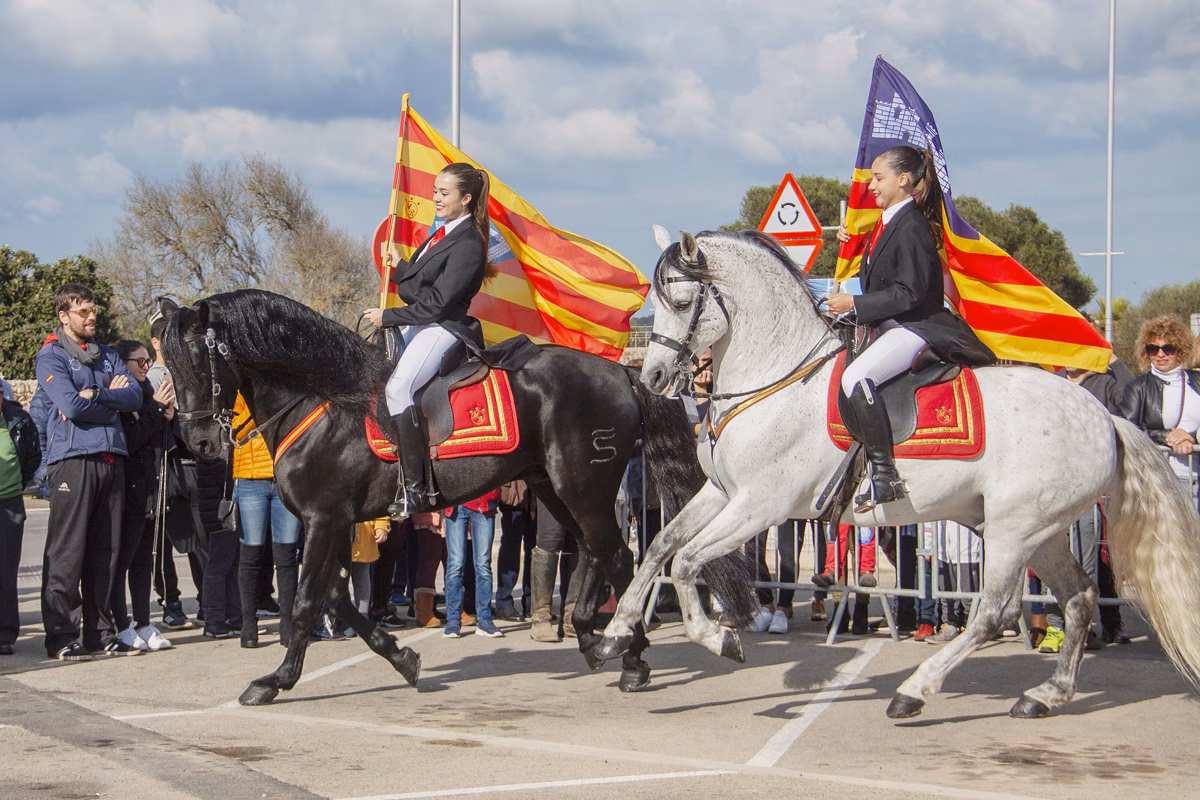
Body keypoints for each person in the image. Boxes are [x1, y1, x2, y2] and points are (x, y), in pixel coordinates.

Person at [830, 146, 995, 511]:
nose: (870, 186)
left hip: (918, 325)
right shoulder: (886, 223)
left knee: (856, 377)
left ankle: (884, 476)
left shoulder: (912, 225)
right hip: (892, 324)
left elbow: (909, 292)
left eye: (878, 178)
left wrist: (855, 305)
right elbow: (880, 278)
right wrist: (852, 243)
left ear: (902, 180)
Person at [363, 163, 497, 517]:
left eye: (444, 192)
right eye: (435, 190)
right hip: (424, 322)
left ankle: (415, 489)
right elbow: (423, 287)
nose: (435, 197)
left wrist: (387, 317)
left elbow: (437, 303)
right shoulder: (442, 234)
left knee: (398, 389)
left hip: (443, 327)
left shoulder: (469, 243)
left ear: (466, 199)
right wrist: (402, 265)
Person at [37, 283, 145, 660]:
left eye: (93, 309)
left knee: (106, 552)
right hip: (72, 460)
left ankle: (99, 633)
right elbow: (69, 404)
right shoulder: (50, 356)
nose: (92, 316)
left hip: (112, 457)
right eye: (83, 311)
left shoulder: (109, 355)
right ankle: (61, 636)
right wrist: (109, 401)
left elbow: (135, 395)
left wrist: (96, 395)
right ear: (64, 316)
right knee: (68, 552)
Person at [109, 340, 175, 652]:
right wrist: (156, 410)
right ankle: (121, 624)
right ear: (123, 363)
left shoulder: (147, 392)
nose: (146, 367)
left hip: (150, 487)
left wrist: (167, 416)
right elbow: (131, 440)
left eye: (148, 361)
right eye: (140, 362)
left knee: (143, 563)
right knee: (122, 560)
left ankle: (144, 621)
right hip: (128, 488)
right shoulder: (122, 396)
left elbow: (157, 439)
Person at [230, 393, 301, 649]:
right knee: (251, 553)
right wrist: (262, 404)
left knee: (286, 555)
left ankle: (287, 626)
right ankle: (248, 625)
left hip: (285, 474)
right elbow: (235, 431)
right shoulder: (240, 391)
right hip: (251, 477)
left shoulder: (282, 385)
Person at [1118, 315, 1199, 498]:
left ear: (1180, 350)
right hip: (1156, 482)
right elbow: (1128, 433)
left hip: (1196, 479)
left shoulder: (1197, 382)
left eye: (1168, 348)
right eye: (1153, 349)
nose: (1160, 354)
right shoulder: (1138, 388)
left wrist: (1192, 437)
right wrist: (1168, 437)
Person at [1, 392, 41, 655]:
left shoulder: (19, 420)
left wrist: (18, 484)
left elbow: (32, 457)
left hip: (10, 502)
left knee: (5, 571)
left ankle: (5, 634)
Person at [443, 490, 504, 639]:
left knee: (483, 565)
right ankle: (453, 620)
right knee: (455, 565)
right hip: (456, 503)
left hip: (484, 502)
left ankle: (485, 619)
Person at [495, 479, 534, 621]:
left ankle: (531, 603)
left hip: (535, 495)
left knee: (534, 551)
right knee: (510, 550)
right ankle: (503, 602)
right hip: (513, 495)